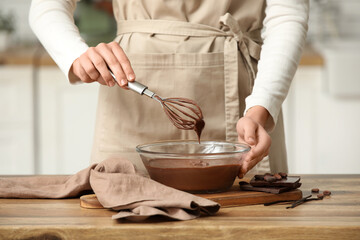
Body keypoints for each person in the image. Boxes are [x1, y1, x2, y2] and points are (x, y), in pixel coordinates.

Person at [29, 0, 309, 177]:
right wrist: (74, 54)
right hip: (130, 109)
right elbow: (47, 5)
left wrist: (260, 109)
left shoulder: (255, 112)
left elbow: (287, 15)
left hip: (243, 105)